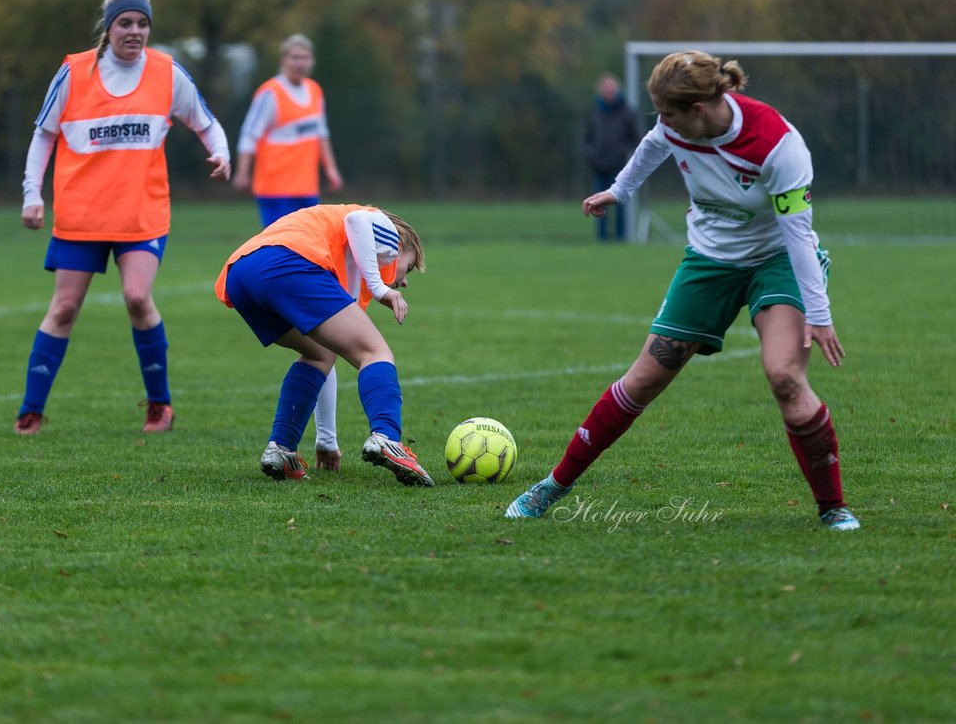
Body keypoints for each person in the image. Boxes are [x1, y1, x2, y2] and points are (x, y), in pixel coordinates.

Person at [506, 50, 861, 531]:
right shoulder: (675, 127)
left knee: (784, 377)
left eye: (668, 113)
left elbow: (798, 234)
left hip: (778, 261)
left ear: (699, 109)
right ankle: (551, 487)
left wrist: (818, 313)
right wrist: (619, 191)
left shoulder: (778, 145)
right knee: (643, 379)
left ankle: (833, 507)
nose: (662, 122)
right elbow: (652, 146)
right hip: (710, 261)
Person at [15, 0, 232, 436]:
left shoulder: (166, 73)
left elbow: (206, 123)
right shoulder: (75, 72)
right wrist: (32, 194)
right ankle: (31, 412)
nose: (135, 32)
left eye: (143, 23)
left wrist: (222, 154)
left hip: (140, 214)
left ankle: (159, 407)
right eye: (126, 23)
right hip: (82, 215)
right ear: (108, 27)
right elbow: (43, 135)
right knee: (64, 309)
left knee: (137, 298)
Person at [214, 203, 433, 486]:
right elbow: (358, 220)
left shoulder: (348, 266)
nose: (404, 281)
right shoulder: (386, 230)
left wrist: (327, 441)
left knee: (319, 353)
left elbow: (331, 356)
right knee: (376, 352)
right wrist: (380, 287)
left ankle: (281, 449)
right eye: (410, 266)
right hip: (288, 262)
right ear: (400, 243)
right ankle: (388, 438)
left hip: (242, 272)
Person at [232, 34, 346, 469]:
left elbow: (320, 134)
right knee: (284, 258)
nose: (301, 61)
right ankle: (294, 308)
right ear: (284, 59)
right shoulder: (270, 93)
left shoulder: (314, 91)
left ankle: (303, 310)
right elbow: (249, 133)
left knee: (313, 258)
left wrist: (330, 168)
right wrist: (243, 171)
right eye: (294, 55)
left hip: (304, 188)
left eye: (306, 55)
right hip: (275, 190)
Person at [582, 73, 641, 241]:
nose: (609, 93)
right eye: (605, 90)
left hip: (619, 166)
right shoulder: (594, 112)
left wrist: (623, 153)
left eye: (611, 90)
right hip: (599, 166)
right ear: (600, 92)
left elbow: (635, 139)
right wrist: (591, 155)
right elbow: (587, 139)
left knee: (621, 204)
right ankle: (602, 239)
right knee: (597, 204)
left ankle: (621, 238)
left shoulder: (627, 112)